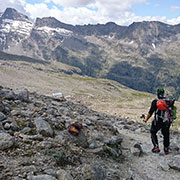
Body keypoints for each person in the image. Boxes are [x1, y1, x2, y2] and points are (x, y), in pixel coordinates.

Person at [143, 88, 171, 155]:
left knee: (153, 131)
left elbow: (151, 112)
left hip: (157, 121)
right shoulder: (168, 101)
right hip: (166, 121)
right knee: (166, 134)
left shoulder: (155, 101)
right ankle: (166, 149)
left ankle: (156, 147)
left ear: (157, 93)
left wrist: (146, 119)